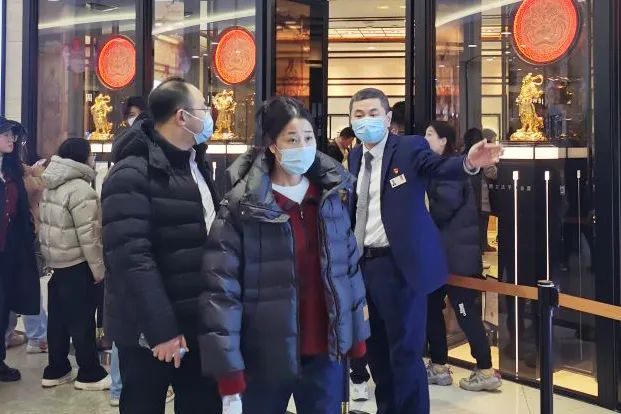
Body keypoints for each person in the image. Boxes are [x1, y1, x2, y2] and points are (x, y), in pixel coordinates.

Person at [199, 96, 369, 414]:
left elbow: (347, 268)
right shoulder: (243, 205)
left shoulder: (330, 195)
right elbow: (221, 289)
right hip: (263, 356)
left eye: (308, 138)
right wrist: (228, 368)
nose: (302, 146)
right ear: (272, 145)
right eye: (292, 139)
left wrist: (355, 334)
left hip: (324, 352)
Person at [347, 88, 502, 414]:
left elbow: (438, 167)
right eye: (358, 115)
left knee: (405, 354)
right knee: (377, 351)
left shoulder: (409, 148)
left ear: (388, 118)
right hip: (365, 267)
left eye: (373, 114)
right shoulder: (356, 156)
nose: (366, 121)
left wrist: (468, 162)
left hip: (400, 267)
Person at [102, 77, 221, 414]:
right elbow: (131, 258)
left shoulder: (195, 164)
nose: (209, 117)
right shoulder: (131, 173)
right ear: (182, 116)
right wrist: (162, 330)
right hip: (149, 329)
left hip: (198, 321)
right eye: (204, 109)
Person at [424, 121, 502, 392]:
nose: (424, 138)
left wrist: (419, 214)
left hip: (455, 258)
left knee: (465, 312)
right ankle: (438, 365)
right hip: (444, 255)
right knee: (432, 309)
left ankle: (485, 369)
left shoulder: (451, 170)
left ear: (443, 141)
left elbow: (442, 210)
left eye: (430, 134)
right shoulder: (440, 168)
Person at [38, 138, 110, 390]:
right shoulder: (81, 190)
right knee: (82, 321)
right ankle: (89, 373)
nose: (93, 159)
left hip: (57, 262)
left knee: (58, 320)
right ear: (83, 157)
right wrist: (99, 270)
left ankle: (56, 368)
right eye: (91, 154)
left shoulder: (51, 183)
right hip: (78, 263)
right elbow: (89, 237)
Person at [0, 117, 41, 382]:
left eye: (13, 136)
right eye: (6, 134)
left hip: (9, 252)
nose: (11, 140)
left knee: (4, 307)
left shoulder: (12, 171)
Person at [23, 160, 49, 354]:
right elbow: (34, 190)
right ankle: (37, 336)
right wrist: (34, 172)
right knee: (29, 285)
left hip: (22, 231)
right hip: (22, 232)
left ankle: (37, 335)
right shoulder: (12, 167)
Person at [463, 128, 498, 253]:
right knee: (482, 218)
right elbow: (491, 172)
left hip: (466, 191)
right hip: (481, 191)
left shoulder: (462, 153)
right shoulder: (483, 154)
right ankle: (482, 245)